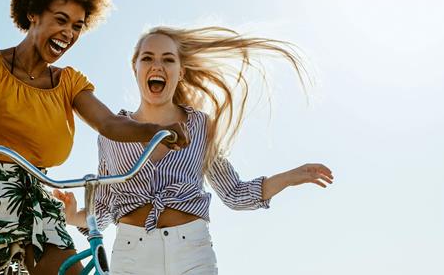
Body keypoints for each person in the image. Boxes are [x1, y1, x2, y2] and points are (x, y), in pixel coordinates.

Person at [0, 0, 190, 274]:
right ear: (33, 13)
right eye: (61, 20)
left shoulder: (68, 82)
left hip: (38, 197)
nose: (68, 33)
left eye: (77, 26)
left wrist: (157, 131)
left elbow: (108, 123)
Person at [53, 26, 334, 275]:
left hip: (192, 252)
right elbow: (102, 212)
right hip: (131, 256)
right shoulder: (112, 133)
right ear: (135, 67)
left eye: (168, 59)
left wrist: (290, 177)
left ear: (180, 71)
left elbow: (234, 193)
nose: (157, 66)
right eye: (147, 58)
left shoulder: (201, 125)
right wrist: (75, 214)